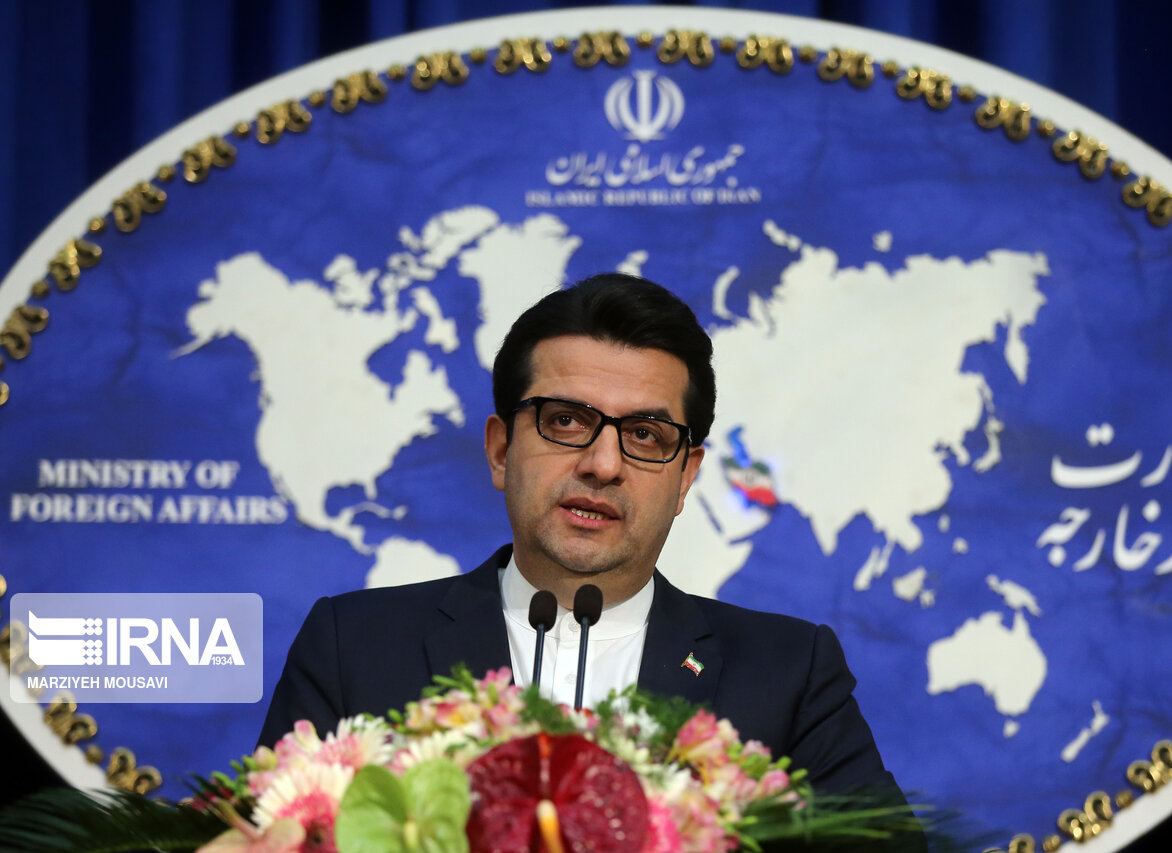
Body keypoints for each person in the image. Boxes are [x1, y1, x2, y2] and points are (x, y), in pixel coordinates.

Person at [259, 272, 904, 798]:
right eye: (566, 421)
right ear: (500, 450)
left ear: (685, 477)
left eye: (645, 435)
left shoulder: (788, 672)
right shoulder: (354, 647)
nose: (603, 464)